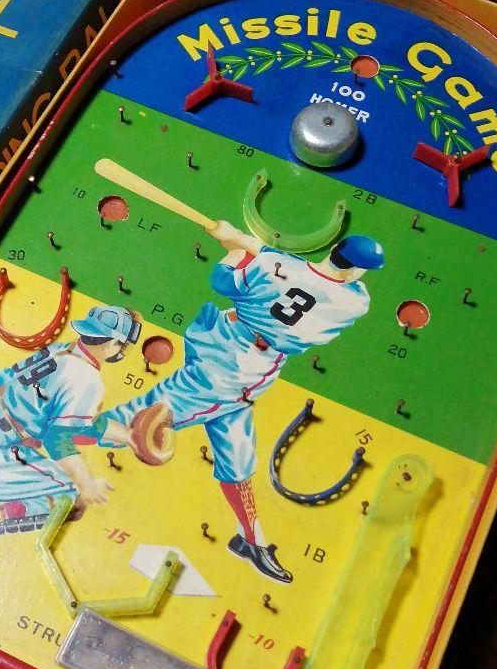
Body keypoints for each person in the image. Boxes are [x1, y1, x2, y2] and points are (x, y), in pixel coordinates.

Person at [99, 222, 384, 583]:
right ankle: (59, 430)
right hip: (231, 371)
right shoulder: (354, 302)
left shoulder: (275, 266)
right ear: (354, 270)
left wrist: (235, 250)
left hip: (222, 337)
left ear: (333, 250)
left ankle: (251, 540)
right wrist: (244, 245)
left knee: (236, 456)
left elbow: (222, 281)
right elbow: (299, 273)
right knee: (138, 422)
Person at [0, 306, 140, 569]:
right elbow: (57, 440)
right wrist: (87, 483)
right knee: (71, 498)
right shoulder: (88, 380)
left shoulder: (60, 349)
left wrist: (128, 436)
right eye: (123, 345)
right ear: (113, 344)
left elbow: (3, 380)